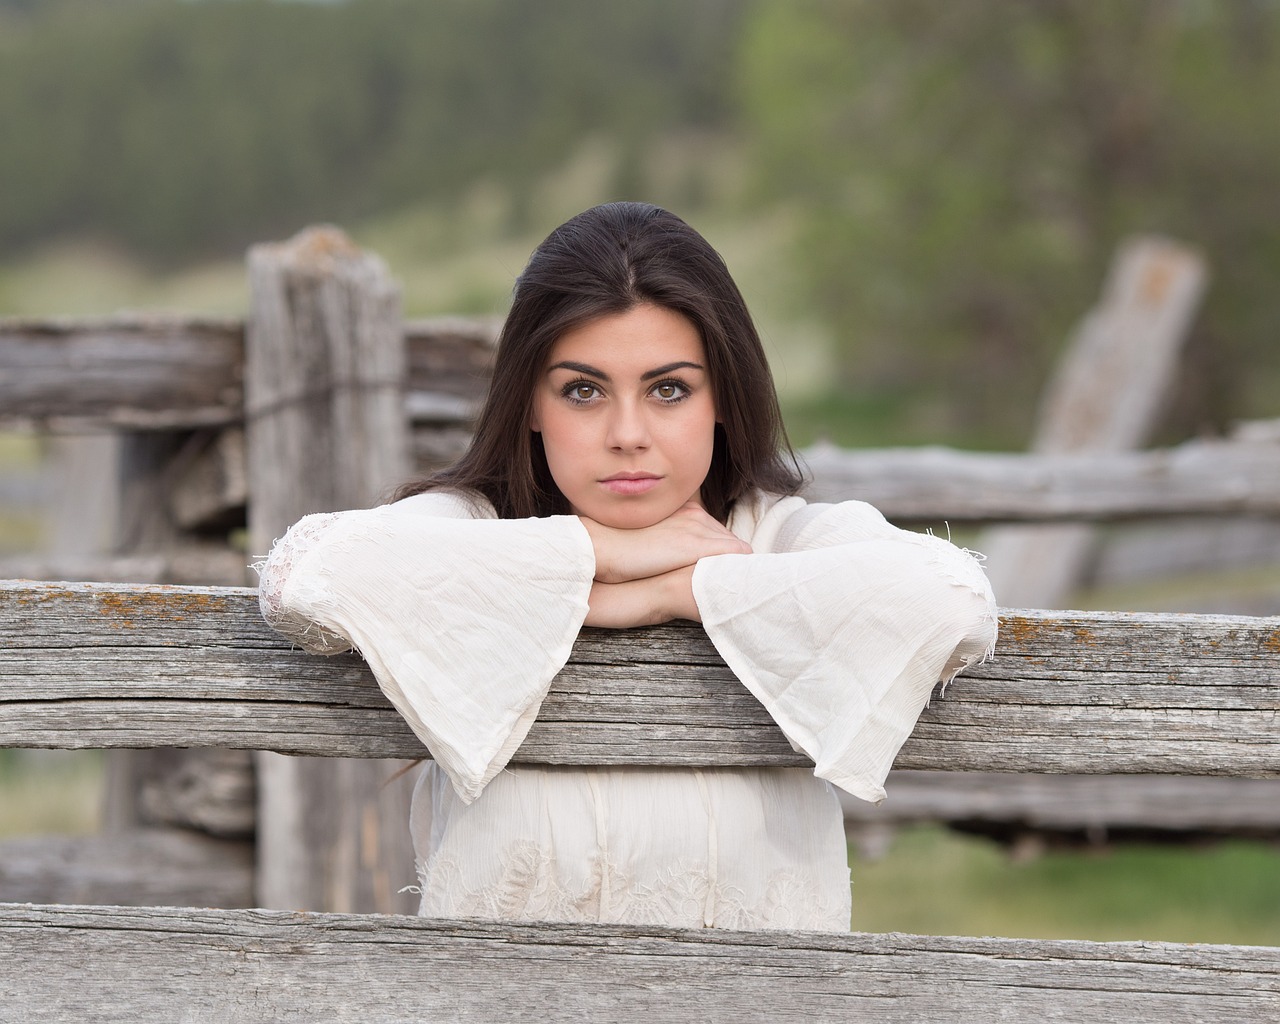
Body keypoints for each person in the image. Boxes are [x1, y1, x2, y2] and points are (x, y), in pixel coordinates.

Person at [256, 202, 997, 932]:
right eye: (584, 391)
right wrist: (607, 562)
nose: (628, 435)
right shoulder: (474, 529)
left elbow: (953, 603)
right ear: (532, 405)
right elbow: (308, 578)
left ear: (721, 401)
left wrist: (686, 587)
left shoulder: (780, 541)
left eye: (668, 389)